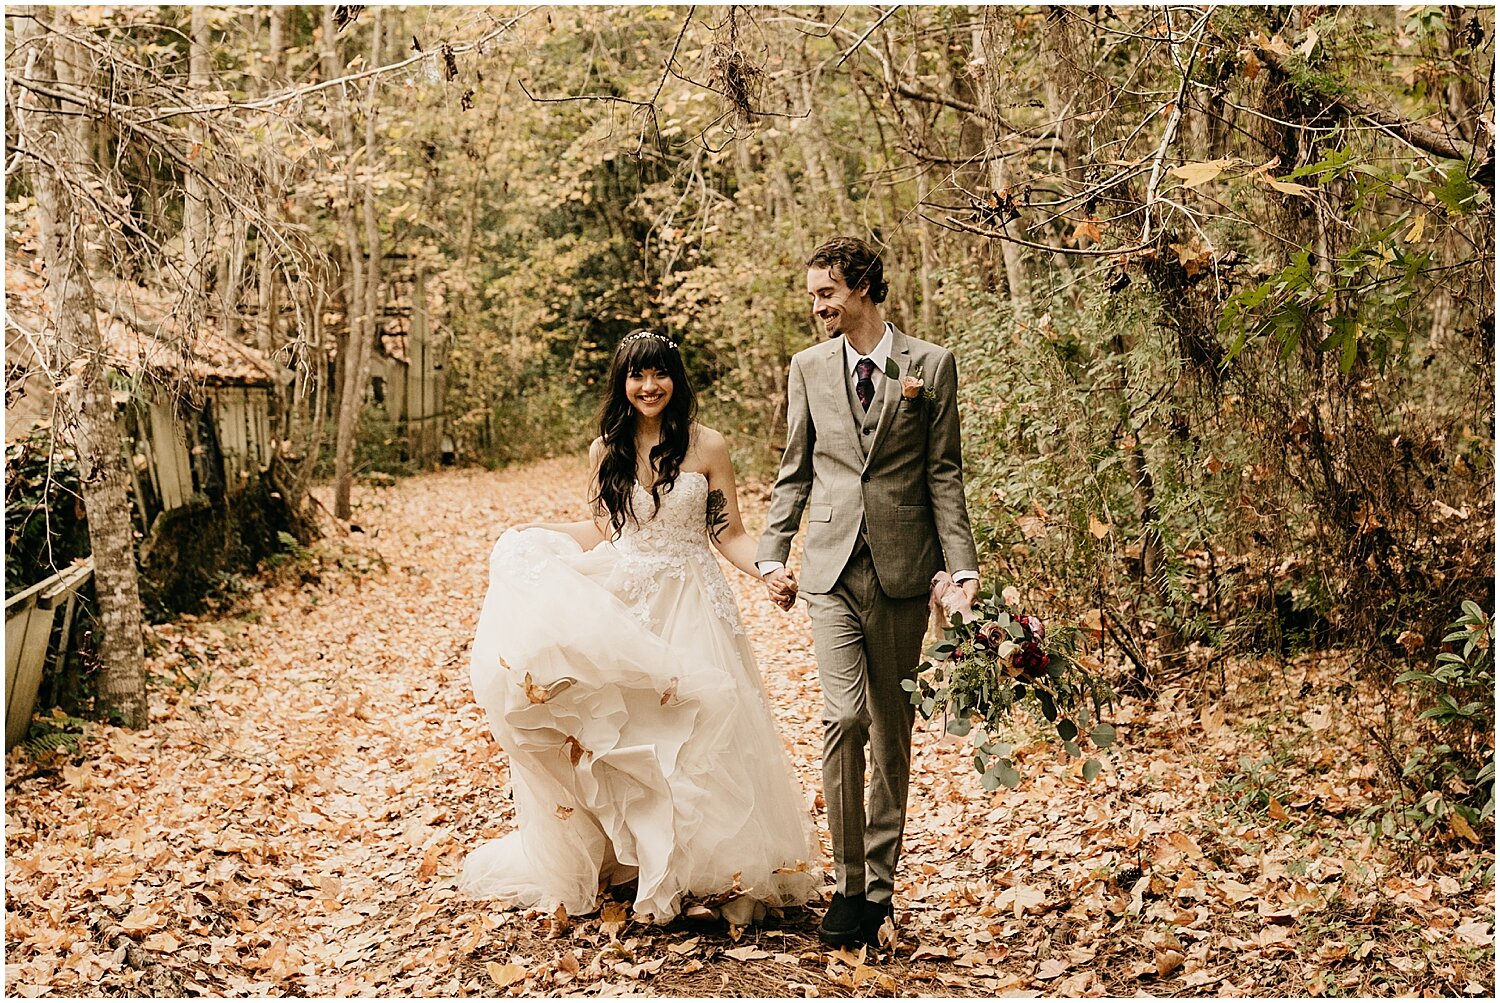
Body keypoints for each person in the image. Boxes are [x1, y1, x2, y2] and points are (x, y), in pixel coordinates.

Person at [461, 330, 819, 925]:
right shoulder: (607, 448)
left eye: (659, 375)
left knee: (704, 733)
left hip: (696, 601)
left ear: (676, 380)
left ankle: (718, 871)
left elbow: (727, 532)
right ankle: (642, 863)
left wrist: (768, 571)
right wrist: (533, 533)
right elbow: (604, 530)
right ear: (622, 384)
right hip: (629, 602)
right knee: (639, 736)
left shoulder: (708, 446)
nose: (648, 387)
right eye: (636, 376)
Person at [757, 237, 979, 947]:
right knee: (843, 718)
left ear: (862, 289)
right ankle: (847, 882)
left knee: (890, 735)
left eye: (827, 292)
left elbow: (943, 473)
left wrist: (961, 565)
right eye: (815, 293)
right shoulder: (807, 368)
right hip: (827, 568)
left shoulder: (931, 365)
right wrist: (771, 555)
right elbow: (794, 469)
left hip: (904, 570)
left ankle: (878, 890)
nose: (818, 305)